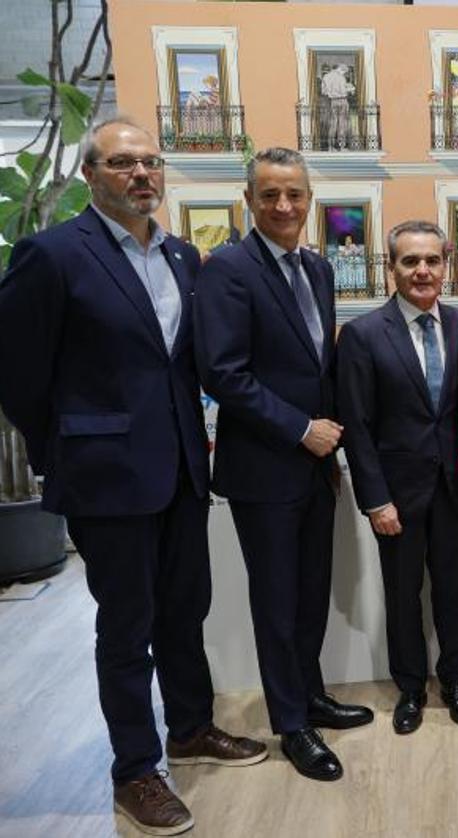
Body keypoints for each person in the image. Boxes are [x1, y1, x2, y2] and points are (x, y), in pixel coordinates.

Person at [0, 117, 266, 836]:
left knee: (188, 610)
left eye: (150, 162)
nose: (141, 174)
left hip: (180, 468)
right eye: (123, 163)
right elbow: (18, 375)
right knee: (128, 628)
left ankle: (189, 728)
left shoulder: (182, 256)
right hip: (104, 475)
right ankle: (135, 771)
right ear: (90, 174)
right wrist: (63, 450)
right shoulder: (52, 254)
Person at [194, 147, 372, 783]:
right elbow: (222, 372)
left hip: (315, 468)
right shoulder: (229, 271)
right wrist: (301, 429)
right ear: (250, 199)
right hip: (265, 468)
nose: (284, 206)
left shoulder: (318, 269)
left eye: (294, 193)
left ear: (309, 197)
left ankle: (312, 693)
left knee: (309, 593)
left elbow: (314, 365)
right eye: (269, 194)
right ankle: (291, 724)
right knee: (275, 600)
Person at [337, 220, 458, 735]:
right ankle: (411, 688)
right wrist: (375, 500)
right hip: (395, 496)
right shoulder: (362, 334)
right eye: (410, 261)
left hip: (456, 489)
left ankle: (456, 680)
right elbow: (357, 425)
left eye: (432, 260)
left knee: (453, 591)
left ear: (446, 265)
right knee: (402, 595)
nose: (422, 271)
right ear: (391, 268)